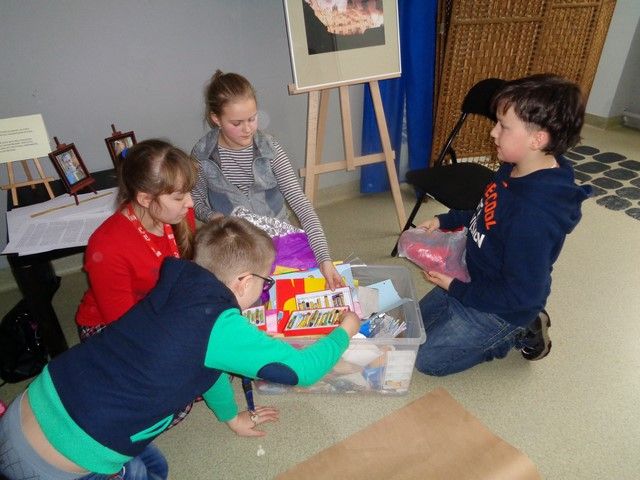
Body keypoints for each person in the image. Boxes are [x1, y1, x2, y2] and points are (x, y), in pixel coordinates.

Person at [0, 217, 360, 480]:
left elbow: (204, 367)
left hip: (34, 404)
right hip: (47, 460)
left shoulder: (179, 283)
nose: (263, 291)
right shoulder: (219, 324)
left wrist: (232, 418)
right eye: (265, 283)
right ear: (243, 281)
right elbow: (301, 370)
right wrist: (345, 329)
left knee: (156, 466)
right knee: (146, 473)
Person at [414, 74, 591, 377]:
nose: (493, 132)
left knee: (427, 361)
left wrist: (455, 288)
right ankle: (478, 309)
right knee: (409, 327)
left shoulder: (534, 216)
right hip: (474, 277)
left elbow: (523, 294)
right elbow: (486, 213)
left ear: (537, 140)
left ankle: (521, 330)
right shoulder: (514, 167)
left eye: (503, 126)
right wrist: (445, 220)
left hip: (503, 308)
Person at [191, 70, 343, 289]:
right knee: (237, 295)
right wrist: (211, 216)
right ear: (217, 119)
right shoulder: (202, 155)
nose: (248, 129)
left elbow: (301, 204)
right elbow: (194, 200)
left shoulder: (270, 149)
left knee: (299, 287)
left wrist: (324, 258)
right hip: (232, 244)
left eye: (252, 118)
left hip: (278, 238)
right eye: (237, 123)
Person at [75, 139, 196, 340]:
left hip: (165, 306)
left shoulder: (179, 214)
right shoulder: (107, 247)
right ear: (145, 199)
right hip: (113, 326)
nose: (190, 203)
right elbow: (125, 325)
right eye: (178, 197)